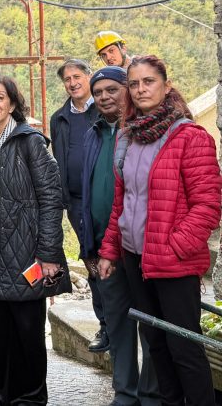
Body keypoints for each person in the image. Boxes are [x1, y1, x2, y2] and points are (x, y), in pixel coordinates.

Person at [98, 55, 221, 406]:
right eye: (134, 84)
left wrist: (174, 246)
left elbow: (208, 206)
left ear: (166, 86)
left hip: (174, 262)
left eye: (148, 81)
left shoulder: (189, 137)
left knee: (184, 347)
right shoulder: (128, 138)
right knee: (155, 344)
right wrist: (110, 250)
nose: (140, 89)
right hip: (135, 258)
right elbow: (121, 203)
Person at [0, 74, 67, 406]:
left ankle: (31, 397)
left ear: (12, 104)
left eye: (0, 97)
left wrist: (48, 253)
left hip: (27, 254)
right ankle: (0, 393)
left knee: (27, 330)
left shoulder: (29, 142)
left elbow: (51, 199)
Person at [81, 66, 160, 406]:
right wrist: (88, 246)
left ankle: (151, 393)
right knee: (117, 323)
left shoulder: (144, 130)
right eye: (98, 93)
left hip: (143, 246)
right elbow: (82, 191)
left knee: (151, 323)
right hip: (104, 248)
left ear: (127, 90)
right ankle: (124, 393)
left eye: (112, 90)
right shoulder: (92, 133)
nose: (104, 97)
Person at [49, 58, 106, 352]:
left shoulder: (104, 110)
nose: (72, 83)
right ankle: (105, 325)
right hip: (76, 203)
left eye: (77, 76)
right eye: (67, 79)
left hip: (104, 199)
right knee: (91, 260)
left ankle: (124, 321)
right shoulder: (59, 118)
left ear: (89, 77)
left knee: (112, 259)